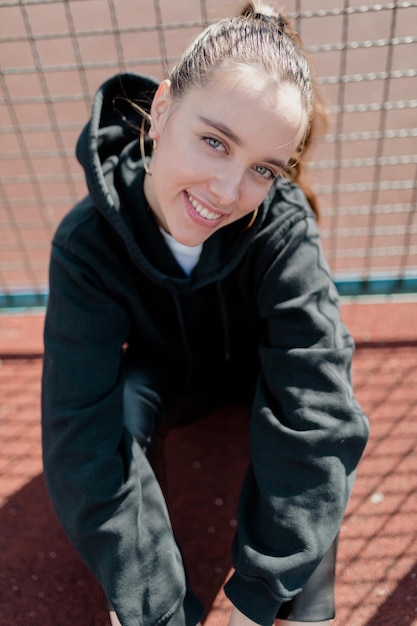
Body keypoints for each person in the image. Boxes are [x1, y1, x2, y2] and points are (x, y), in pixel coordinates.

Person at [41, 2, 369, 625]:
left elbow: (319, 413)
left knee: (313, 428)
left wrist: (259, 599)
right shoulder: (86, 244)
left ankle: (306, 608)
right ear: (162, 111)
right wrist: (155, 610)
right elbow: (78, 435)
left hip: (254, 371)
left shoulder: (283, 231)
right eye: (214, 141)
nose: (225, 190)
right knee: (120, 407)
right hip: (164, 376)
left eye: (262, 169)